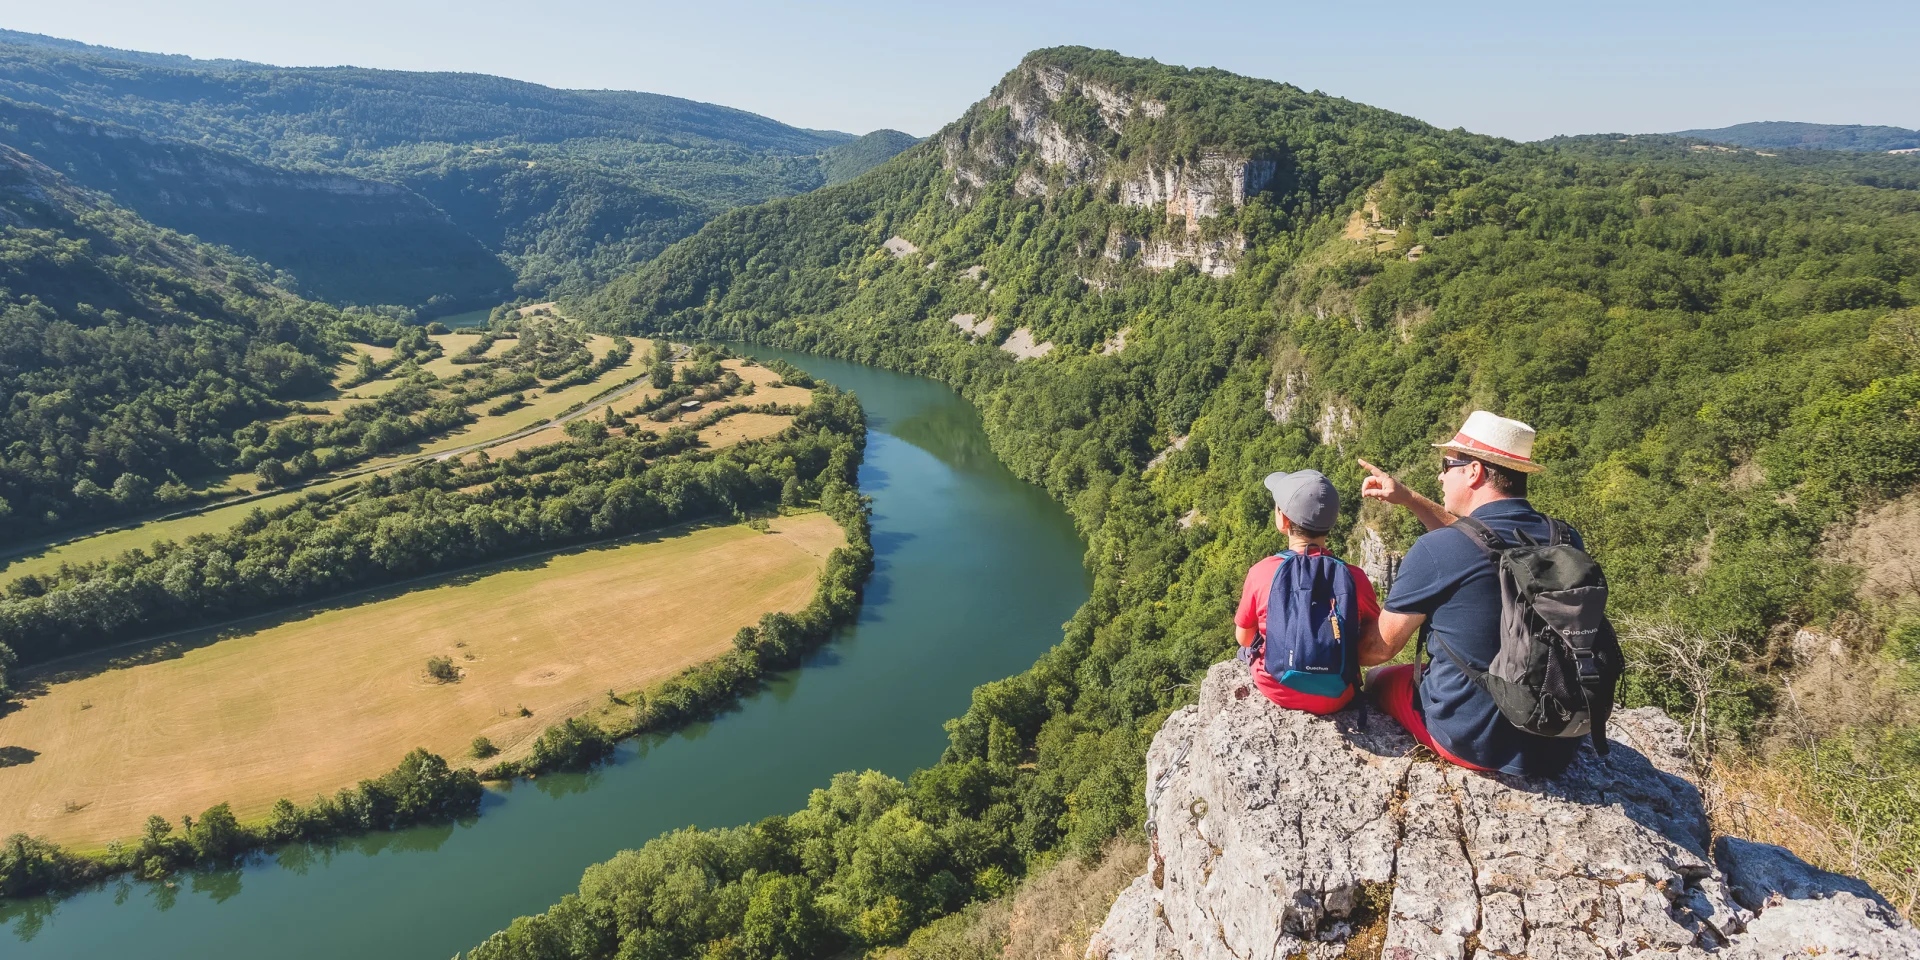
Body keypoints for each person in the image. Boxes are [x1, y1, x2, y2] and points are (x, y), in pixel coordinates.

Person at [1354, 411, 1585, 777]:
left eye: (1448, 465)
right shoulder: (1565, 539)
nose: (1440, 475)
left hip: (1475, 741)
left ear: (1474, 471)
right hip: (1557, 738)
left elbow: (1377, 650)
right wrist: (1410, 499)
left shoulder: (1437, 550)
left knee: (1378, 678)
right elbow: (1482, 540)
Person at [1234, 469, 1381, 714]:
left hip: (1277, 687)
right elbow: (1371, 634)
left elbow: (1245, 637)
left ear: (1283, 520)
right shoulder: (1355, 578)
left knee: (1244, 651)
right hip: (1337, 695)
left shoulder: (1262, 572)